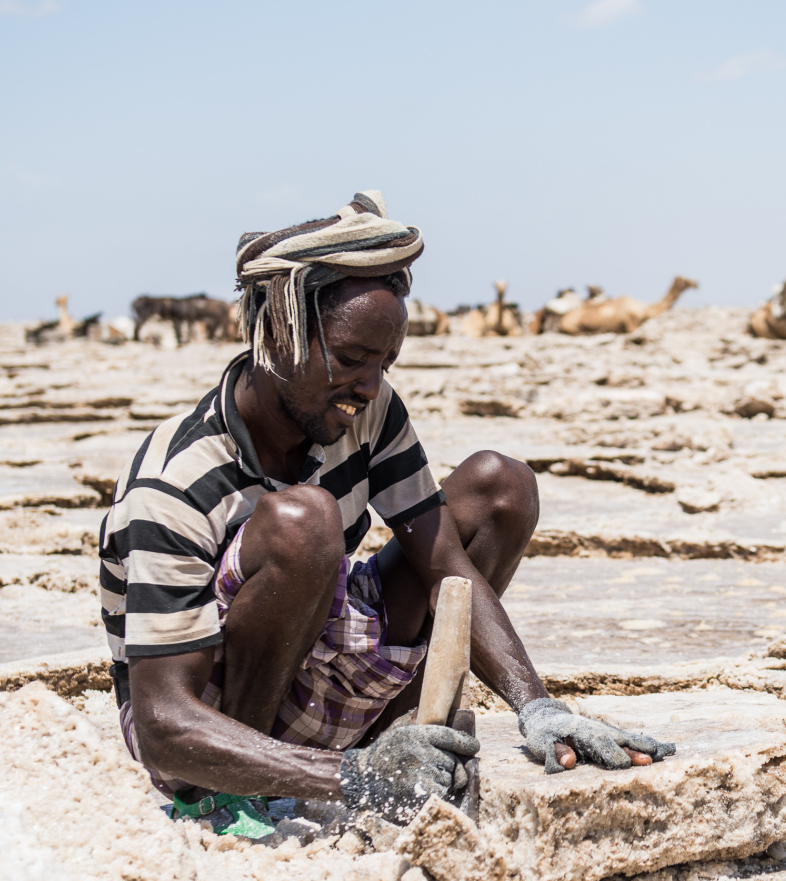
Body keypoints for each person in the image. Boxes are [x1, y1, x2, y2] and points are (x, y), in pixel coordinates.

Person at [97, 189, 673, 837]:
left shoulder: (364, 408)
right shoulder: (172, 484)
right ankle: (241, 798)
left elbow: (445, 563)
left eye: (385, 362)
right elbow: (163, 723)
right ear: (279, 335)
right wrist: (354, 779)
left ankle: (409, 739)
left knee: (500, 487)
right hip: (204, 735)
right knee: (304, 524)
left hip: (314, 663)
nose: (370, 386)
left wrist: (537, 705)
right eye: (349, 360)